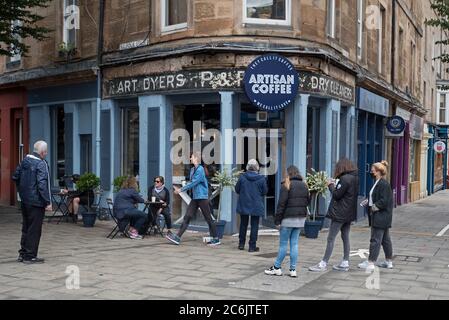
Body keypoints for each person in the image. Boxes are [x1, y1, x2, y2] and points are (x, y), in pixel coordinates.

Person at [309, 158, 359, 272]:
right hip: (349, 213)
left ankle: (323, 263)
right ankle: (345, 262)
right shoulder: (354, 178)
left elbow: (337, 195)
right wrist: (336, 183)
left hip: (340, 213)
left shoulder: (345, 179)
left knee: (330, 238)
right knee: (345, 236)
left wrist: (330, 185)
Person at [167, 152, 221, 246]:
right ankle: (178, 237)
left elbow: (194, 183)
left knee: (208, 218)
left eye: (191, 157)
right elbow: (191, 182)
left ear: (196, 158)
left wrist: (181, 189)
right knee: (187, 216)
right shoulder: (192, 169)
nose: (190, 158)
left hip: (202, 197)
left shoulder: (200, 170)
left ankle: (216, 238)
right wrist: (184, 186)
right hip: (195, 198)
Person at [265, 166, 310, 277]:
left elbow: (281, 204)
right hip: (300, 219)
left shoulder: (287, 184)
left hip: (288, 219)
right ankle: (293, 270)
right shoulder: (305, 185)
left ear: (288, 173)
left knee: (283, 245)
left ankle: (276, 268)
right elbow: (307, 202)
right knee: (294, 244)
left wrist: (277, 221)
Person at [12, 141, 52, 264]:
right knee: (34, 229)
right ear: (43, 152)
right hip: (36, 202)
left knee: (26, 227)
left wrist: (22, 191)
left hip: (25, 200)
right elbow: (42, 184)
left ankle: (23, 253)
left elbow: (15, 176)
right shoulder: (41, 164)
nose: (45, 154)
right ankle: (30, 256)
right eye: (45, 152)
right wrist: (47, 202)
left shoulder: (25, 161)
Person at [358, 161, 394, 272]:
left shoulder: (383, 184)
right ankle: (388, 262)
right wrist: (364, 203)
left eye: (373, 169)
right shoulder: (378, 182)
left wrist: (373, 207)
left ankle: (370, 263)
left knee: (375, 240)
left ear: (378, 171)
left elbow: (384, 201)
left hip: (380, 216)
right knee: (385, 240)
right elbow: (373, 197)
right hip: (383, 216)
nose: (371, 171)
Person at [235, 159, 268, 252]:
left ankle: (241, 244)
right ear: (257, 168)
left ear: (247, 167)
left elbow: (237, 189)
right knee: (254, 225)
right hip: (256, 204)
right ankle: (252, 246)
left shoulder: (242, 177)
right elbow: (265, 192)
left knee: (243, 224)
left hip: (244, 203)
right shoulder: (261, 179)